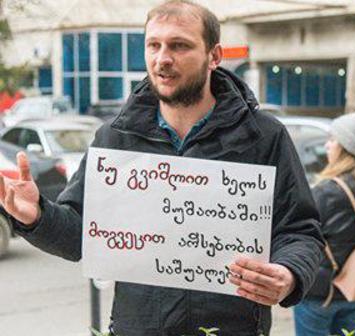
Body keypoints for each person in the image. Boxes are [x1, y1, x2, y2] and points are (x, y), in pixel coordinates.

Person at [0, 1, 323, 335]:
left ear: (214, 56)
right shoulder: (115, 137)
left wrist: (289, 273)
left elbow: (300, 229)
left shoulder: (263, 135)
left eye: (179, 45)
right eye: (154, 45)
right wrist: (36, 216)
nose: (162, 58)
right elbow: (80, 237)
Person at [294, 109, 355, 336]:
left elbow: (302, 234)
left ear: (347, 148)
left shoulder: (327, 191)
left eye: (333, 140)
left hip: (319, 294)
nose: (327, 145)